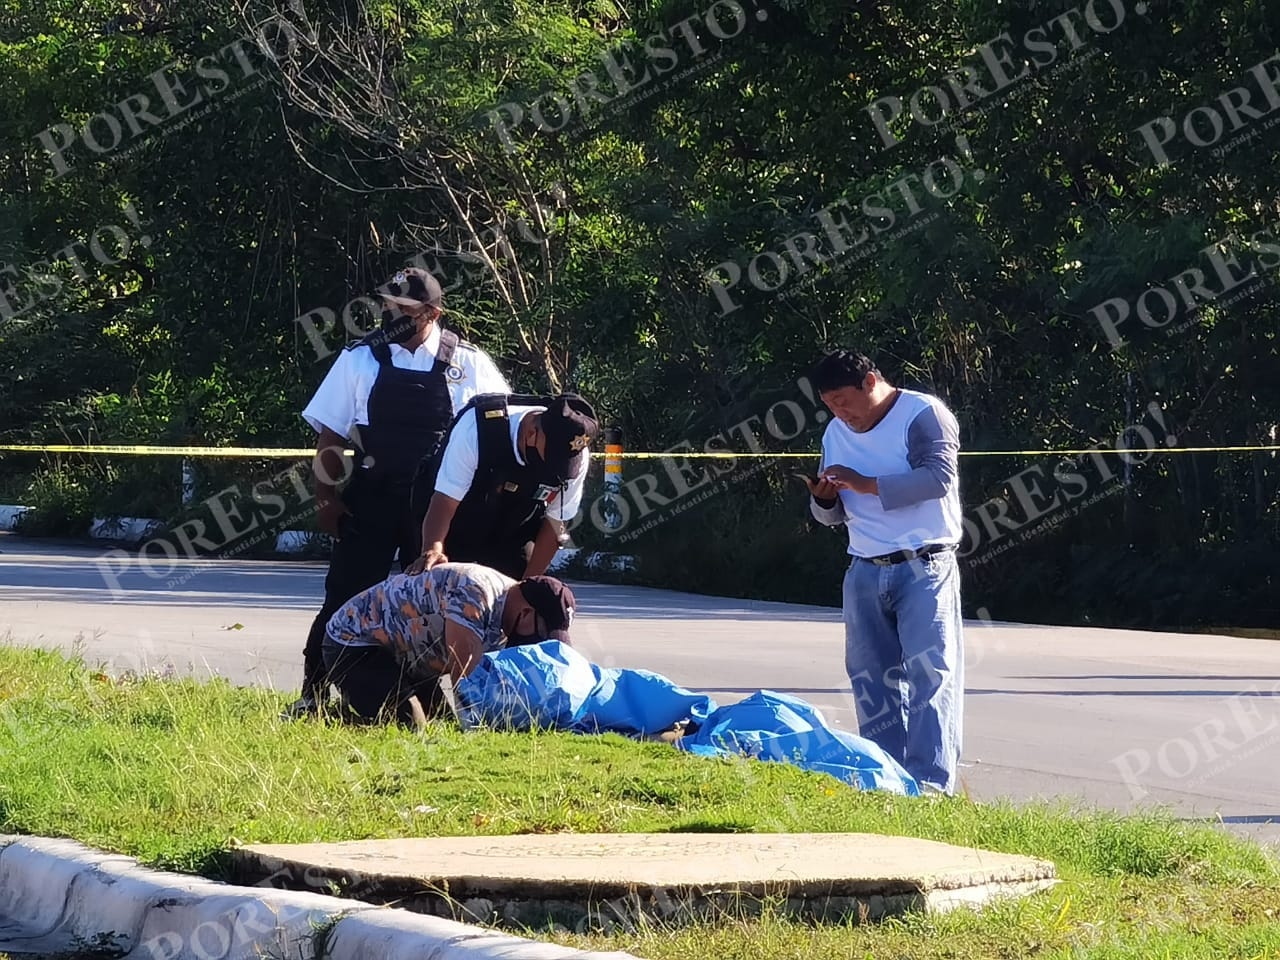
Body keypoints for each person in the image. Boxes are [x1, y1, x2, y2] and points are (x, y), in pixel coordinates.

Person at [290, 267, 510, 716]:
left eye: (405, 310)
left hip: (437, 507)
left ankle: (438, 702)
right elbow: (330, 438)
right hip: (372, 496)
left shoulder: (469, 364)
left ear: (432, 312)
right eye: (389, 307)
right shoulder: (359, 360)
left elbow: (497, 437)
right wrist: (326, 499)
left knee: (431, 604)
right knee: (345, 595)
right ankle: (313, 693)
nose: (393, 315)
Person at [801, 350, 964, 795]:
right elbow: (832, 516)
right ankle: (883, 782)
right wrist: (825, 499)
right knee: (872, 681)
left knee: (931, 676)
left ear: (871, 380)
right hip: (864, 568)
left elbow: (938, 479)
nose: (839, 412)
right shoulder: (836, 431)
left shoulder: (923, 414)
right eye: (829, 404)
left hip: (925, 565)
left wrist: (864, 482)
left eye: (844, 400)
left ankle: (931, 788)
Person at [320, 563, 577, 726]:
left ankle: (360, 706)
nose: (537, 644)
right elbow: (464, 675)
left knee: (443, 726)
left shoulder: (507, 614)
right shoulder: (476, 594)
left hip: (408, 659)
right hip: (354, 645)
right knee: (412, 723)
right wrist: (479, 734)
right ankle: (339, 717)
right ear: (526, 613)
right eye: (541, 635)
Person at [406, 393, 600, 580]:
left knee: (517, 601)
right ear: (532, 432)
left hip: (514, 525)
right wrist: (433, 549)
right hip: (456, 518)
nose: (555, 468)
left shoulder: (574, 455)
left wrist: (528, 586)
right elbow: (445, 500)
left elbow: (556, 523)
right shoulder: (478, 428)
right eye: (551, 459)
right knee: (444, 590)